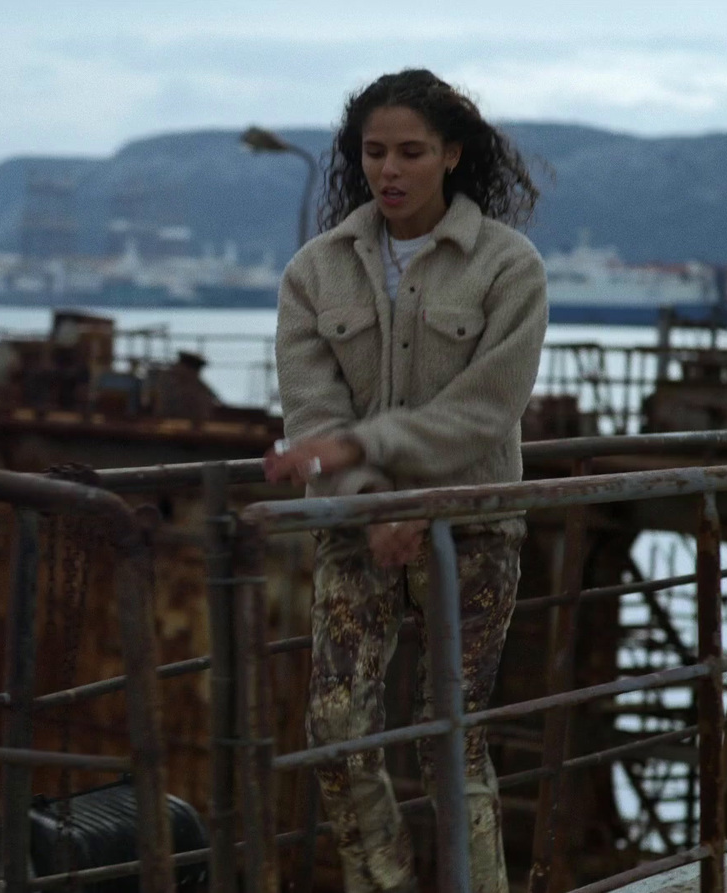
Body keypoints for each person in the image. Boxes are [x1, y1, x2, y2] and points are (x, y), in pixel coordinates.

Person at [262, 69, 546, 893]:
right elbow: (313, 417)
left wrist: (383, 469)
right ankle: (380, 884)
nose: (390, 169)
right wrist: (371, 501)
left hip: (475, 524)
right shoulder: (314, 274)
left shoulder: (508, 266)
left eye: (412, 152)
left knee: (448, 733)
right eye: (375, 151)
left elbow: (486, 409)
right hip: (358, 525)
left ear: (452, 155)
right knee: (337, 725)